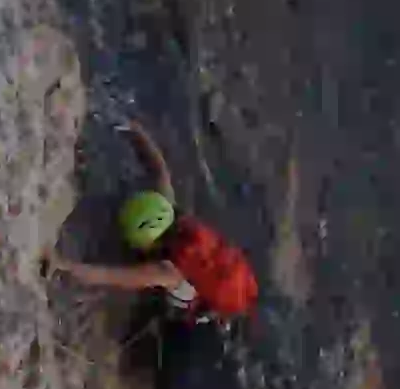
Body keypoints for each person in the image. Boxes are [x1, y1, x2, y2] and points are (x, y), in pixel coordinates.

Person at [53, 125, 259, 329]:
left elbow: (108, 275)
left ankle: (207, 317)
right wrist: (136, 133)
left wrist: (62, 264)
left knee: (175, 302)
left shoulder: (165, 272)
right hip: (229, 277)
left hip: (196, 291)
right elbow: (157, 167)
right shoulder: (166, 207)